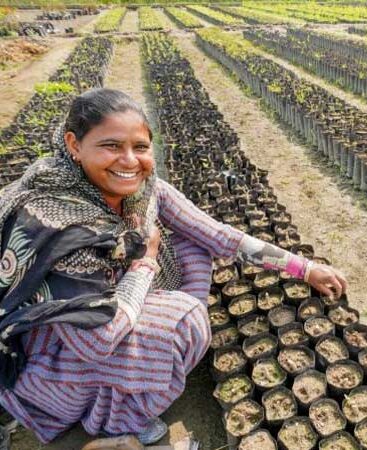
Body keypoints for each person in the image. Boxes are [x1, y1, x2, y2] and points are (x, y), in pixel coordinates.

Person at [0, 89, 348, 445]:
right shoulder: (57, 223)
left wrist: (303, 268)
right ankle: (117, 418)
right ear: (74, 145)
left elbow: (218, 235)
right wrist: (146, 263)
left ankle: (151, 364)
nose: (129, 160)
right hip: (55, 359)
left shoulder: (143, 189)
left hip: (108, 309)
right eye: (111, 146)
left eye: (140, 146)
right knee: (184, 320)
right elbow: (97, 342)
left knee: (193, 246)